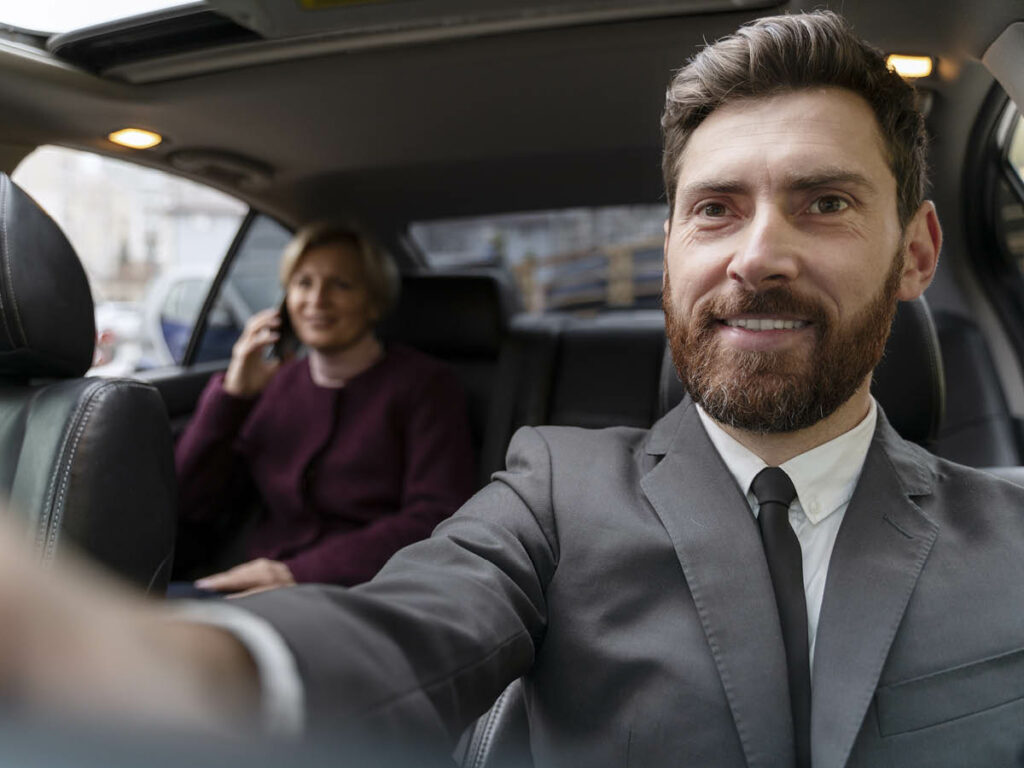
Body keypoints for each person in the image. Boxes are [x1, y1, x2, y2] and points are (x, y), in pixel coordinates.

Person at [2, 10, 1024, 768]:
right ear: (667, 251)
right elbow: (403, 630)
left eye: (825, 202)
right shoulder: (553, 485)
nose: (757, 255)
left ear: (916, 253)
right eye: (715, 210)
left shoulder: (1010, 528)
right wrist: (145, 667)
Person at [173, 223, 476, 594]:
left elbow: (434, 514)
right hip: (255, 578)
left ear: (374, 302)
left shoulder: (425, 385)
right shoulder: (278, 383)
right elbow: (189, 499)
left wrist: (294, 574)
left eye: (341, 285)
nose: (317, 300)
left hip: (365, 588)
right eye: (303, 283)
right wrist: (232, 395)